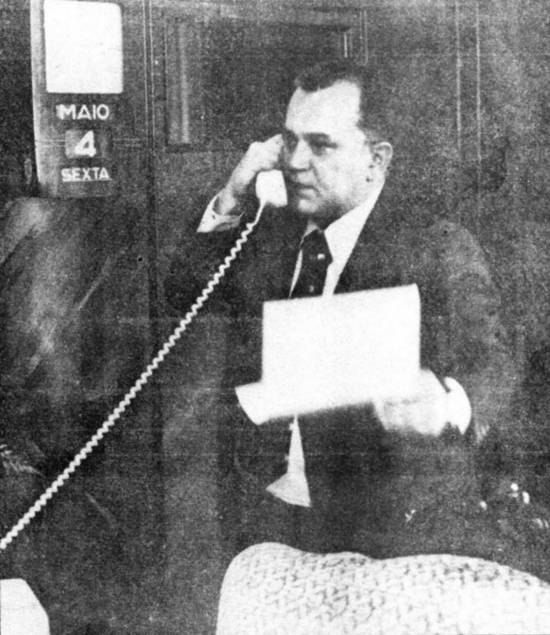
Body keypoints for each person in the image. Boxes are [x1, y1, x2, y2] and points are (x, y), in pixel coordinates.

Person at [165, 61, 549, 576]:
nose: (296, 162)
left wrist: (448, 403)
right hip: (267, 521)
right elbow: (183, 294)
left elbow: (497, 363)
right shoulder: (270, 232)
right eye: (290, 140)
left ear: (376, 159)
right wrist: (233, 195)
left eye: (321, 145)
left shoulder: (435, 246)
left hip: (382, 540)